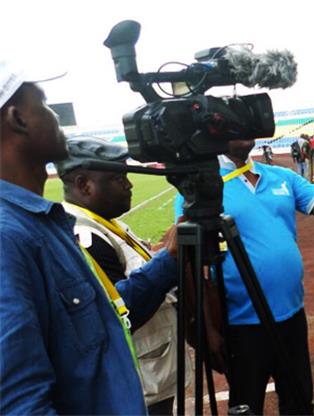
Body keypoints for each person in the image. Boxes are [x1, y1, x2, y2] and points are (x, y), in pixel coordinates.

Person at [0, 65, 179, 414]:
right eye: (45, 104)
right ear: (18, 119)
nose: (56, 117)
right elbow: (19, 400)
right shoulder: (8, 236)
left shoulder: (42, 224)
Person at [173, 137, 314, 415]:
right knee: (246, 405)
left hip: (292, 317)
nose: (244, 130)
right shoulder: (201, 190)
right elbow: (191, 268)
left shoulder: (280, 176)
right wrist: (208, 330)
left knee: (299, 401)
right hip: (240, 324)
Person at [53, 136, 192, 415]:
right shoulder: (83, 235)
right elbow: (117, 313)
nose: (129, 184)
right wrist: (170, 259)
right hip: (138, 384)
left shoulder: (105, 223)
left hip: (152, 372)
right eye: (118, 178)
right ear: (83, 184)